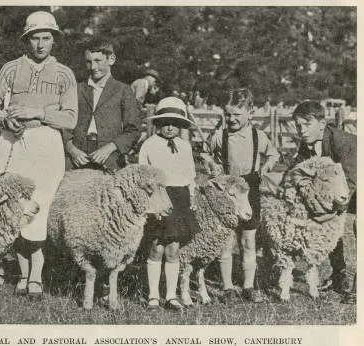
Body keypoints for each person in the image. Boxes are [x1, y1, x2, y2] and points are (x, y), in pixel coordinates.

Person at [0, 11, 78, 299]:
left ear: (54, 40)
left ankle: (36, 276)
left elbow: (70, 119)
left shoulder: (64, 74)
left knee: (40, 207)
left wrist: (38, 112)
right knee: (15, 207)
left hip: (47, 144)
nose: (40, 44)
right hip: (14, 143)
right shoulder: (10, 69)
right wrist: (4, 119)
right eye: (35, 38)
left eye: (46, 38)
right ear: (26, 40)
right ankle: (23, 274)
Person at [208, 88, 280, 303]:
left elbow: (274, 153)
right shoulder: (219, 136)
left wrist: (265, 169)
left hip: (251, 188)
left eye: (237, 115)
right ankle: (228, 287)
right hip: (229, 190)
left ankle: (249, 285)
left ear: (251, 112)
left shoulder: (259, 136)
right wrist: (213, 167)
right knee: (227, 240)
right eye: (227, 114)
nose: (231, 119)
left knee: (249, 240)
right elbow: (208, 155)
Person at [292, 100, 356, 304]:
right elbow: (298, 170)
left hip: (354, 183)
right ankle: (339, 276)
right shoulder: (306, 143)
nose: (301, 130)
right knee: (328, 225)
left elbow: (351, 178)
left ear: (322, 123)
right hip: (340, 188)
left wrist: (336, 207)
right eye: (298, 125)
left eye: (306, 124)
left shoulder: (343, 142)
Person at [138, 97, 197, 311]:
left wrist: (191, 198)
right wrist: (150, 202)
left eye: (174, 123)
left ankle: (171, 296)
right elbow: (143, 173)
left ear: (181, 125)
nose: (170, 127)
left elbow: (190, 175)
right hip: (159, 197)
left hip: (180, 197)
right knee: (157, 247)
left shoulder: (185, 146)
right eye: (165, 123)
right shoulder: (149, 145)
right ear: (158, 124)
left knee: (173, 248)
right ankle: (153, 295)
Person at [64, 38, 140, 171]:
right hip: (76, 158)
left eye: (98, 61)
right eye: (89, 62)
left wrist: (110, 147)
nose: (93, 67)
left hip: (109, 159)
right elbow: (63, 124)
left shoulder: (123, 90)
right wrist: (72, 149)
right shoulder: (76, 89)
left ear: (111, 59)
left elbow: (133, 130)